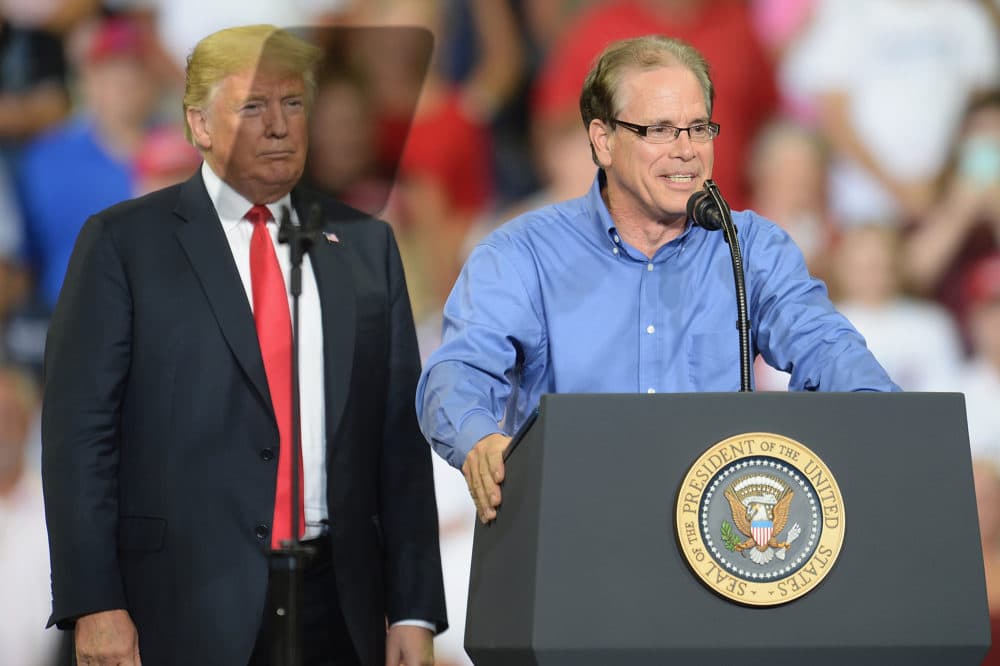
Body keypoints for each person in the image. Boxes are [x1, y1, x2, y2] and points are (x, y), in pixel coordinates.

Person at [42, 24, 446, 666]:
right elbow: (80, 436)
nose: (280, 125)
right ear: (199, 126)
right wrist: (95, 601)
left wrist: (416, 607)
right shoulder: (124, 244)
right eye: (254, 106)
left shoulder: (366, 247)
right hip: (177, 606)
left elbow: (397, 437)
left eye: (292, 103)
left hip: (338, 605)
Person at [415, 35, 898, 524]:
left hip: (717, 540)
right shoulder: (523, 253)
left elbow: (826, 346)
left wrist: (886, 418)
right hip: (573, 528)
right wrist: (480, 439)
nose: (687, 151)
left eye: (698, 128)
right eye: (661, 130)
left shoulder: (749, 247)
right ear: (603, 140)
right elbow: (458, 370)